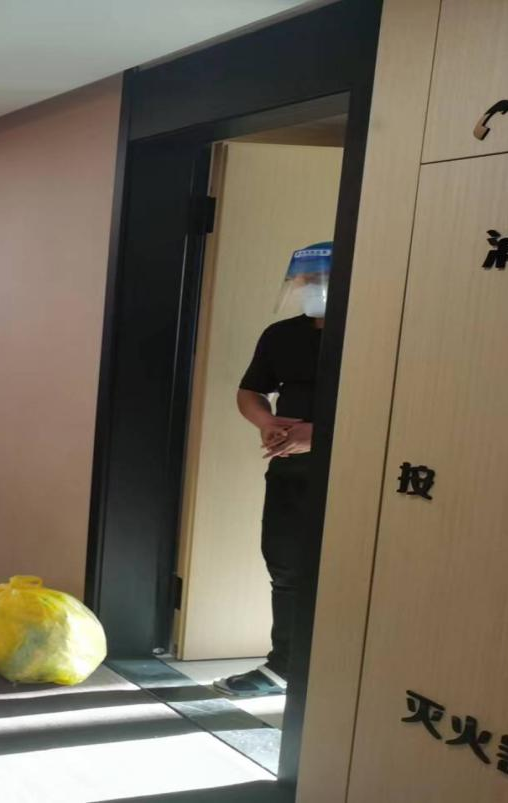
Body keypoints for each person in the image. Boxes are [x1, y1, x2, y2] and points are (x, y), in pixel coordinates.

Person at [214, 242, 330, 698]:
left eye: (321, 280)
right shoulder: (282, 335)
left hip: (353, 473)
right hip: (289, 471)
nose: (312, 289)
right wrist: (266, 423)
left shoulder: (377, 332)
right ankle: (285, 667)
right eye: (306, 281)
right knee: (285, 563)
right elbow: (250, 390)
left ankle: (336, 669)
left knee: (342, 569)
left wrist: (320, 435)